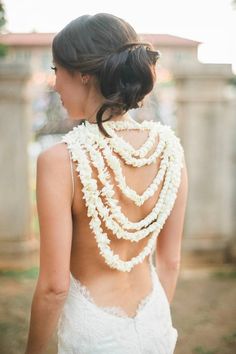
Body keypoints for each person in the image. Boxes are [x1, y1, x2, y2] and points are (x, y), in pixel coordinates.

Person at [25, 13, 188, 354]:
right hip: (155, 321)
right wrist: (153, 322)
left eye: (57, 70)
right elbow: (170, 262)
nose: (54, 84)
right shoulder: (170, 150)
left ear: (84, 73)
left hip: (93, 334)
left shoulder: (60, 161)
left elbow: (54, 288)